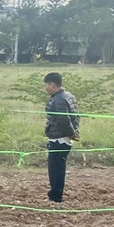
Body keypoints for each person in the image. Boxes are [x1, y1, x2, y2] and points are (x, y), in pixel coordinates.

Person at [43, 72, 80, 203]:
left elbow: (63, 119)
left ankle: (55, 196)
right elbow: (75, 116)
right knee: (58, 167)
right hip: (64, 137)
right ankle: (55, 194)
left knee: (55, 169)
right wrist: (74, 132)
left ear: (52, 85)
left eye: (46, 85)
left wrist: (71, 133)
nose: (45, 88)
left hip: (59, 137)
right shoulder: (68, 96)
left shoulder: (58, 99)